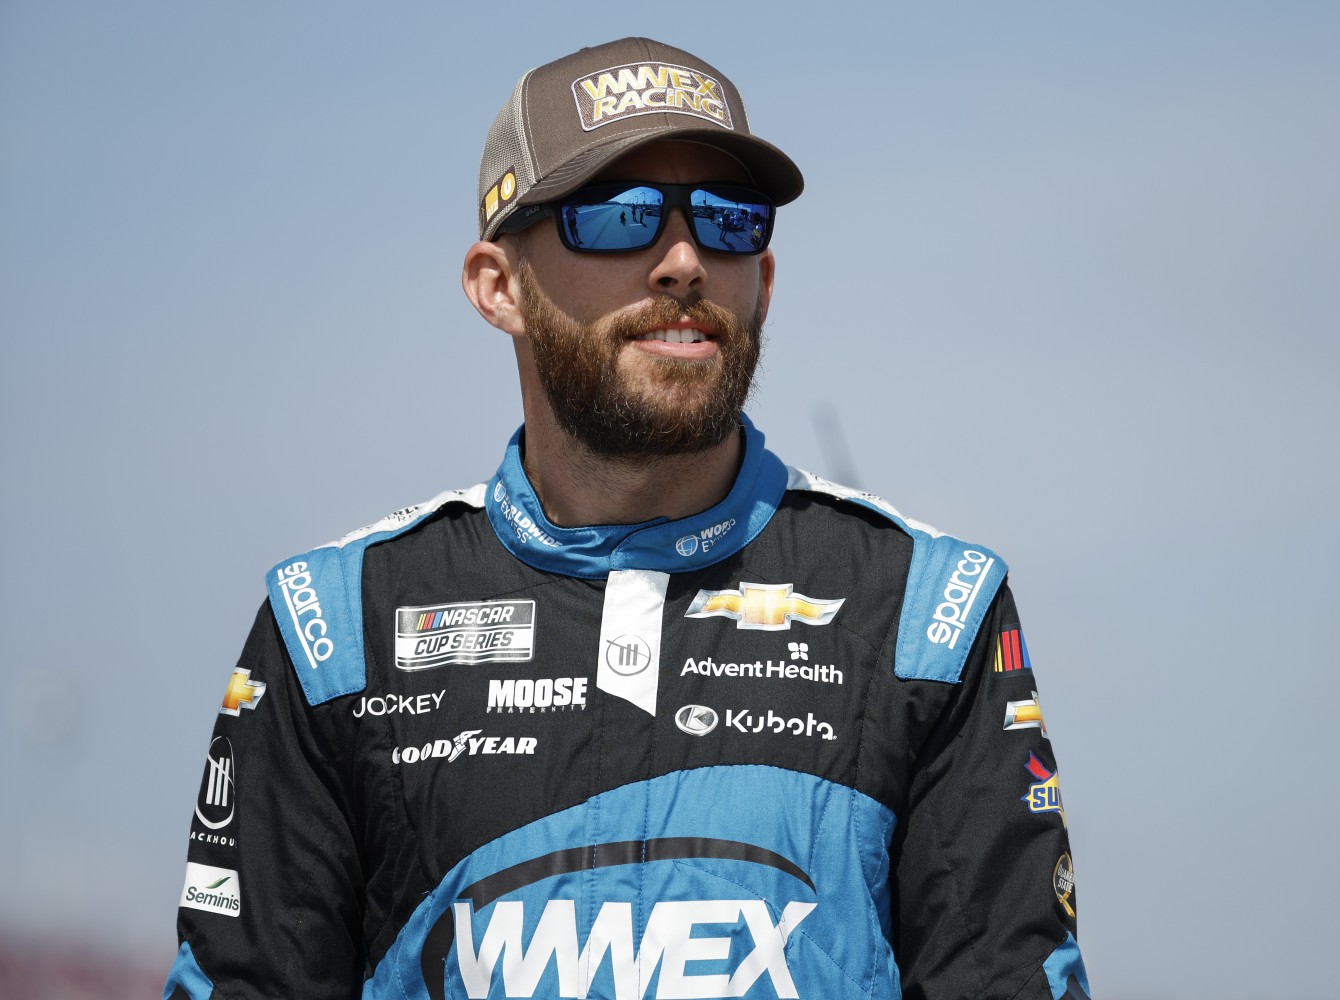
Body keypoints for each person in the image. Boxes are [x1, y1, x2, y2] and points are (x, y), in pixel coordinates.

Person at [163, 36, 1091, 1000]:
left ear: (763, 281)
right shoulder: (333, 628)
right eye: (619, 217)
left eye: (729, 221)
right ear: (497, 285)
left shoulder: (927, 614)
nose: (684, 260)